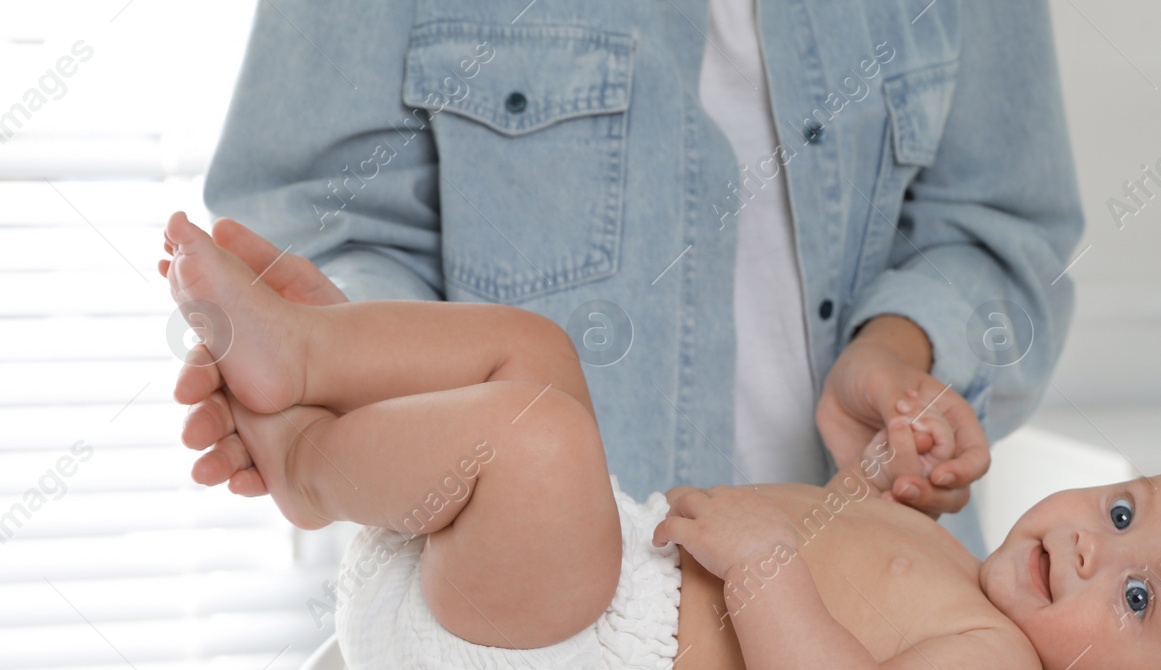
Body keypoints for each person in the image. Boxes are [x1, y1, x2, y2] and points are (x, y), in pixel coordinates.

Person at [163, 212, 1161, 670]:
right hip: (571, 576)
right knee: (540, 359)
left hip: (565, 666)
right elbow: (843, 554)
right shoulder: (957, 574)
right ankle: (318, 360)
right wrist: (875, 472)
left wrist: (775, 570)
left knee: (535, 432)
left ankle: (312, 461)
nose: (1096, 545)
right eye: (1126, 512)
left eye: (1138, 598)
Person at [198, 0, 1085, 558]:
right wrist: (356, 357)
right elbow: (326, 217)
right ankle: (319, 414)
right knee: (525, 404)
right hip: (524, 595)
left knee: (527, 395)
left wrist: (898, 352)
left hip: (873, 586)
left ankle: (313, 437)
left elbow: (999, 229)